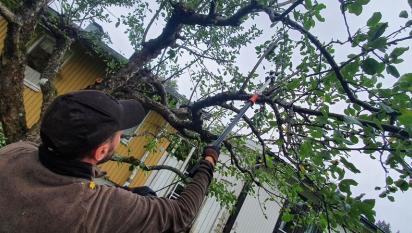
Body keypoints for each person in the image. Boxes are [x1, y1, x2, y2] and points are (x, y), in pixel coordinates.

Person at [0, 90, 219, 233]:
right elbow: (182, 213)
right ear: (101, 151)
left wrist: (128, 193)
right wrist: (207, 163)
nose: (122, 135)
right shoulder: (95, 206)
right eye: (119, 132)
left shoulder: (15, 151)